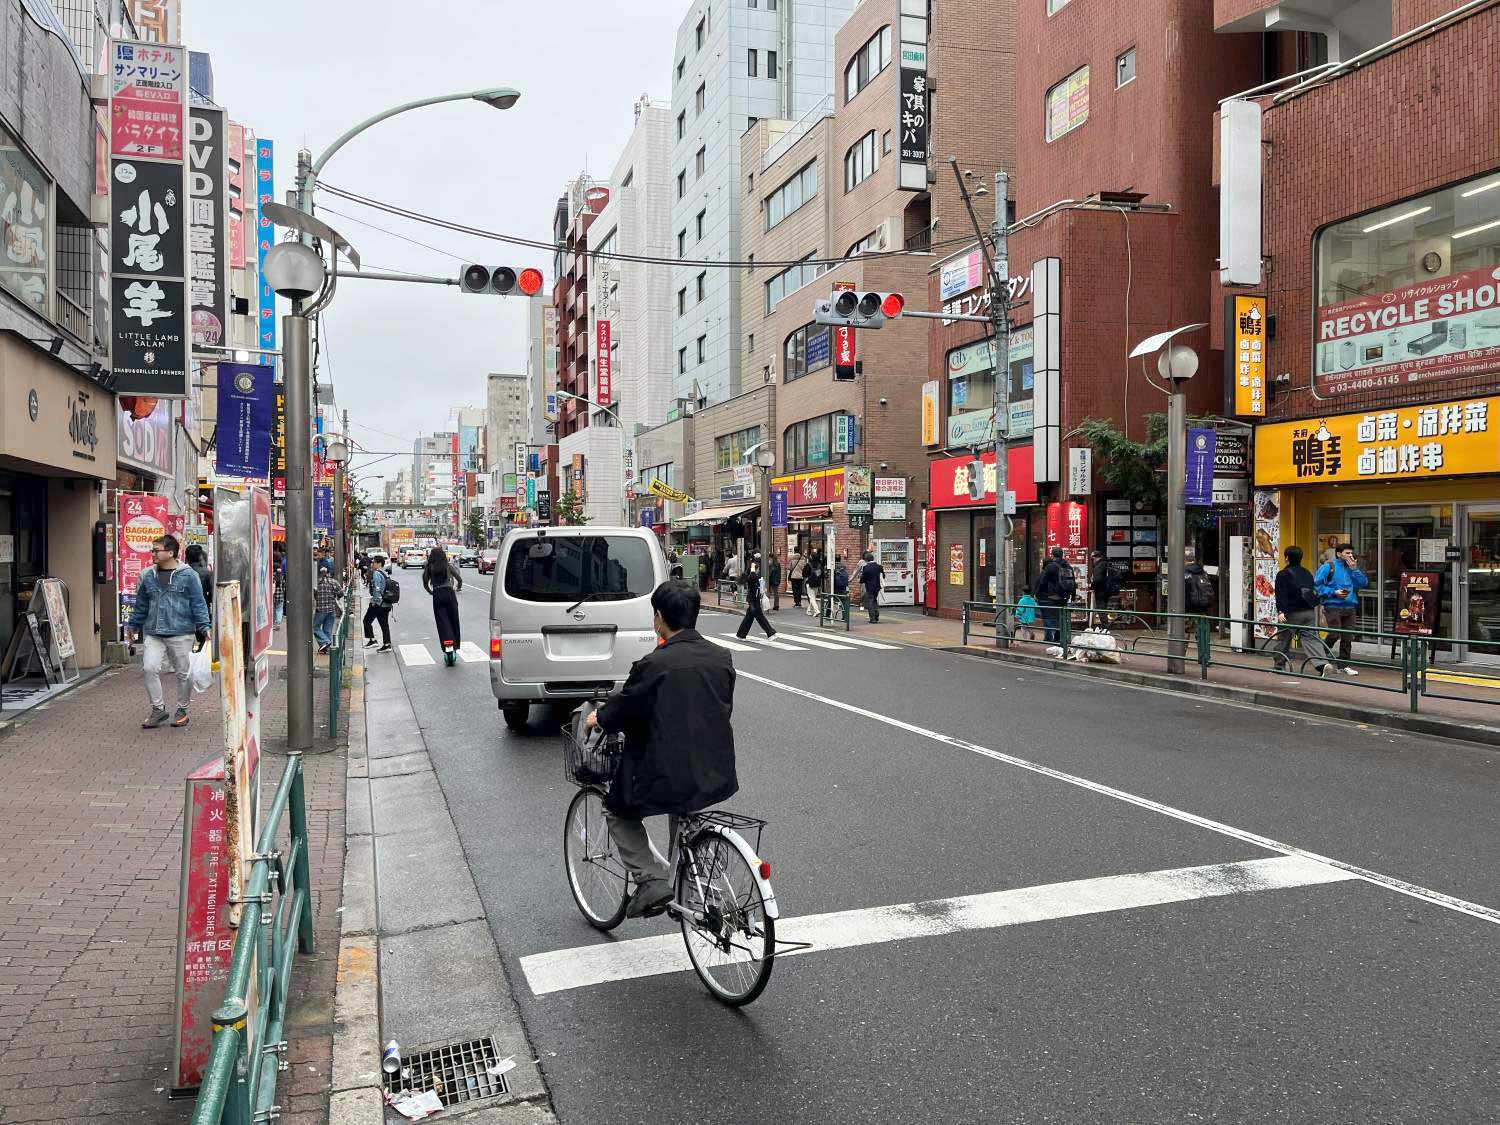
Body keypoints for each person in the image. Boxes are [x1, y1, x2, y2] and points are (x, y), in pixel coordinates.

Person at [585, 581, 737, 919]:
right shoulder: (721, 657)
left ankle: (651, 880)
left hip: (665, 773)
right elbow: (722, 707)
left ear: (659, 618)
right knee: (685, 808)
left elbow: (625, 708)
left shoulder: (653, 665)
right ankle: (684, 885)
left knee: (617, 811)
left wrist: (599, 718)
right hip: (715, 768)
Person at [128, 534, 210, 729]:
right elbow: (141, 604)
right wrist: (133, 626)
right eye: (152, 550)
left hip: (181, 631)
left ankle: (182, 710)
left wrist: (205, 627)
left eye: (156, 550)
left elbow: (198, 603)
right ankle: (158, 709)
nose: (152, 554)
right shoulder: (148, 575)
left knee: (184, 673)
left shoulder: (189, 575)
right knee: (149, 668)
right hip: (154, 631)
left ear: (171, 553)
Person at [1270, 545, 1332, 676]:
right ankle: (1322, 665)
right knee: (1311, 638)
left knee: (1284, 639)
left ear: (1287, 558)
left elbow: (1281, 594)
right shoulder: (1307, 573)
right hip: (1309, 612)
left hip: (1291, 613)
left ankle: (1279, 665)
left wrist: (1280, 611)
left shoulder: (1283, 574)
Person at [1316, 542, 1368, 675]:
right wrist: (1333, 592)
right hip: (1332, 605)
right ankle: (1321, 658)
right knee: (1334, 633)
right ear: (1339, 554)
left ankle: (1343, 665)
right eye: (1347, 553)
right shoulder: (1328, 567)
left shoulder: (1352, 567)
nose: (1350, 555)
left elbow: (1363, 583)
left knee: (1348, 637)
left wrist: (1354, 569)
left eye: (1351, 553)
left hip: (1350, 606)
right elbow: (1317, 586)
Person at [422, 546, 464, 664]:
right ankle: (455, 645)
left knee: (442, 621)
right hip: (449, 594)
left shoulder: (429, 567)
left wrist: (431, 592)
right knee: (453, 620)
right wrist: (458, 587)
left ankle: (446, 646)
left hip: (437, 594)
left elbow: (425, 583)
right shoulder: (447, 566)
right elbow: (459, 579)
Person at [1033, 547, 1074, 644]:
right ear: (1062, 555)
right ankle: (1060, 638)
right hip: (1065, 597)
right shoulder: (1068, 567)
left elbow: (1043, 582)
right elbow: (1073, 582)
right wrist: (1072, 595)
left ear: (1053, 555)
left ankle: (1052, 638)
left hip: (1053, 597)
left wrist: (1037, 594)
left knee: (1051, 618)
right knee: (1061, 617)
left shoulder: (1050, 567)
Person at [735, 556, 778, 640]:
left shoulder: (753, 577)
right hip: (753, 600)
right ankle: (770, 633)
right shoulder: (752, 577)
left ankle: (741, 634)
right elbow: (753, 576)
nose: (759, 571)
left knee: (749, 618)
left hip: (754, 599)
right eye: (758, 569)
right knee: (760, 617)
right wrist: (752, 567)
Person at [364, 560, 393, 651]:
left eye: (374, 563)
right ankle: (387, 644)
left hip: (378, 603)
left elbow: (377, 589)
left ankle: (372, 640)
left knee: (366, 621)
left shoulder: (376, 573)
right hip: (386, 603)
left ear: (379, 563)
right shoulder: (385, 573)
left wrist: (375, 602)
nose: (372, 564)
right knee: (384, 624)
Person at [313, 568, 343, 654]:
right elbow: (341, 593)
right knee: (327, 630)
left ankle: (325, 642)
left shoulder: (317, 583)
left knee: (315, 627)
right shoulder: (333, 582)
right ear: (329, 573)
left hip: (321, 609)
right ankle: (327, 649)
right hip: (331, 609)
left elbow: (315, 596)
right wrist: (335, 597)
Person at [1088, 550, 1118, 626]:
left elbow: (1097, 579)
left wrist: (1091, 585)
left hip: (1100, 591)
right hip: (1107, 591)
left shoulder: (1099, 566)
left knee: (1101, 610)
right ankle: (1105, 626)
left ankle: (1105, 627)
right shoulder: (1105, 564)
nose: (1092, 561)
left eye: (1092, 559)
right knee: (1103, 609)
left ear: (1095, 558)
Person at [184, 543, 214, 613]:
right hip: (202, 609)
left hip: (184, 610)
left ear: (187, 558)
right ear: (200, 557)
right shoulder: (208, 573)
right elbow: (213, 594)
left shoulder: (181, 573)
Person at [859, 550, 884, 624]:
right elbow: (883, 576)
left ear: (866, 560)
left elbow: (863, 578)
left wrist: (861, 581)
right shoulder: (879, 566)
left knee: (870, 600)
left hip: (869, 587)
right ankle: (876, 613)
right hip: (877, 586)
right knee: (874, 599)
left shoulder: (866, 567)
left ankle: (872, 618)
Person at [804, 548, 826, 618]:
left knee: (812, 598)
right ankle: (809, 610)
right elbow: (822, 575)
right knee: (813, 597)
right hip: (817, 583)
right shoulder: (820, 565)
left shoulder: (808, 565)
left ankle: (817, 611)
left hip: (809, 583)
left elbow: (804, 574)